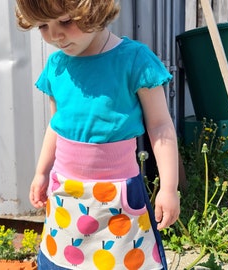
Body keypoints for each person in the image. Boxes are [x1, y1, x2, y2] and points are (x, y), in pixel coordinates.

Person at [15, 1, 180, 269]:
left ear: (94, 8)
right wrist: (41, 172)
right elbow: (57, 124)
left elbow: (160, 125)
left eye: (66, 21)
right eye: (43, 26)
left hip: (117, 201)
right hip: (66, 196)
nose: (55, 35)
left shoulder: (134, 59)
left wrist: (169, 188)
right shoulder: (57, 65)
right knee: (63, 263)